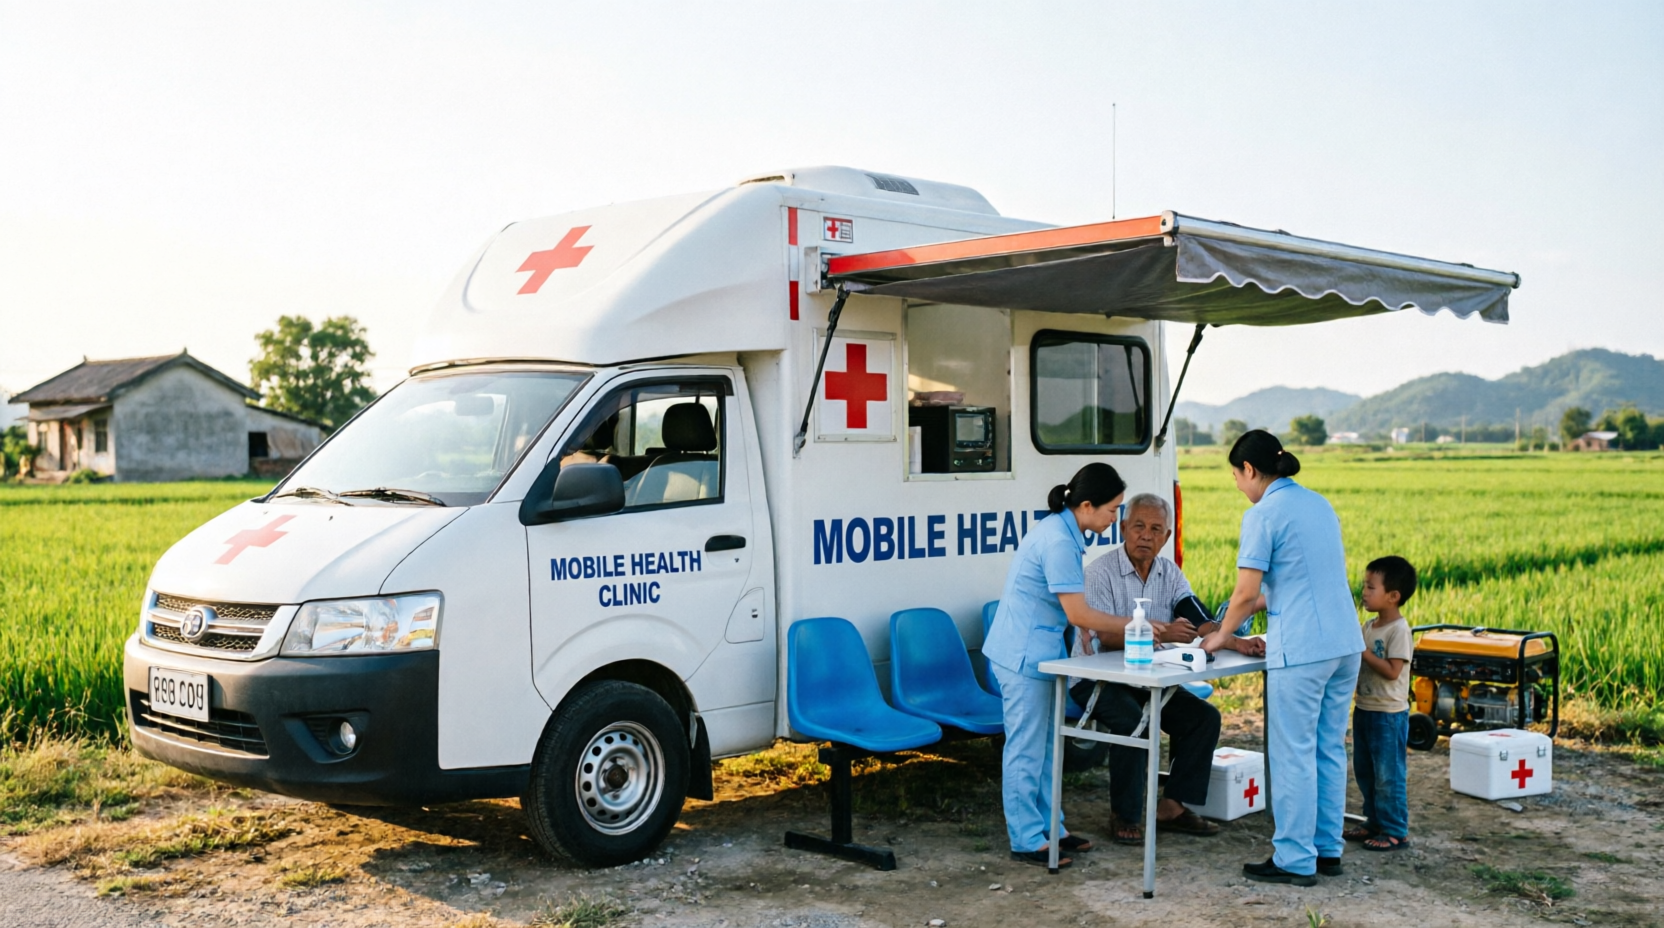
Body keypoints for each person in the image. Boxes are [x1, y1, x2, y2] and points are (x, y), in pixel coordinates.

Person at [1200, 430, 1364, 887]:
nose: (1236, 485)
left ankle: (1294, 858)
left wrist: (1218, 638)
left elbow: (1246, 591)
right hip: (1344, 643)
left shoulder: (1262, 514)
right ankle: (1326, 848)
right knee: (1328, 746)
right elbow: (1285, 583)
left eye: (1236, 475)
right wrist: (1233, 623)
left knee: (1292, 753)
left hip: (1304, 649)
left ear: (1250, 471)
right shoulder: (1318, 504)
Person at [1072, 492, 1258, 844]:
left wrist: (1238, 642)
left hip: (1144, 678)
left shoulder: (1168, 572)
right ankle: (1124, 815)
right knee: (1134, 724)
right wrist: (1163, 630)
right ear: (1123, 528)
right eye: (1138, 526)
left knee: (1203, 719)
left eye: (1156, 529)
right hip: (1094, 679)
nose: (1146, 535)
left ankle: (1172, 806)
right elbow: (1107, 640)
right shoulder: (1099, 573)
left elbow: (1202, 620)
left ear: (1166, 536)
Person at [983, 463, 1130, 868]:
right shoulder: (1059, 542)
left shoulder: (1064, 531)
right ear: (1087, 505)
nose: (1115, 518)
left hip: (1043, 654)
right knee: (1027, 748)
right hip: (1023, 656)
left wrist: (1078, 628)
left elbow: (1066, 609)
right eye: (1112, 510)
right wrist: (1137, 626)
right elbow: (1079, 612)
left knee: (1048, 748)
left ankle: (1053, 828)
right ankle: (1027, 837)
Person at [1347, 555, 1416, 851]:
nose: (1364, 592)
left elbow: (1392, 671)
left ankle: (1395, 830)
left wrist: (1363, 652)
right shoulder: (1368, 626)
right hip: (1365, 708)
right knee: (1366, 771)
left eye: (1370, 587)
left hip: (1388, 714)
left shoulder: (1398, 631)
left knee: (1388, 775)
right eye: (1364, 585)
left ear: (1393, 596)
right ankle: (1373, 821)